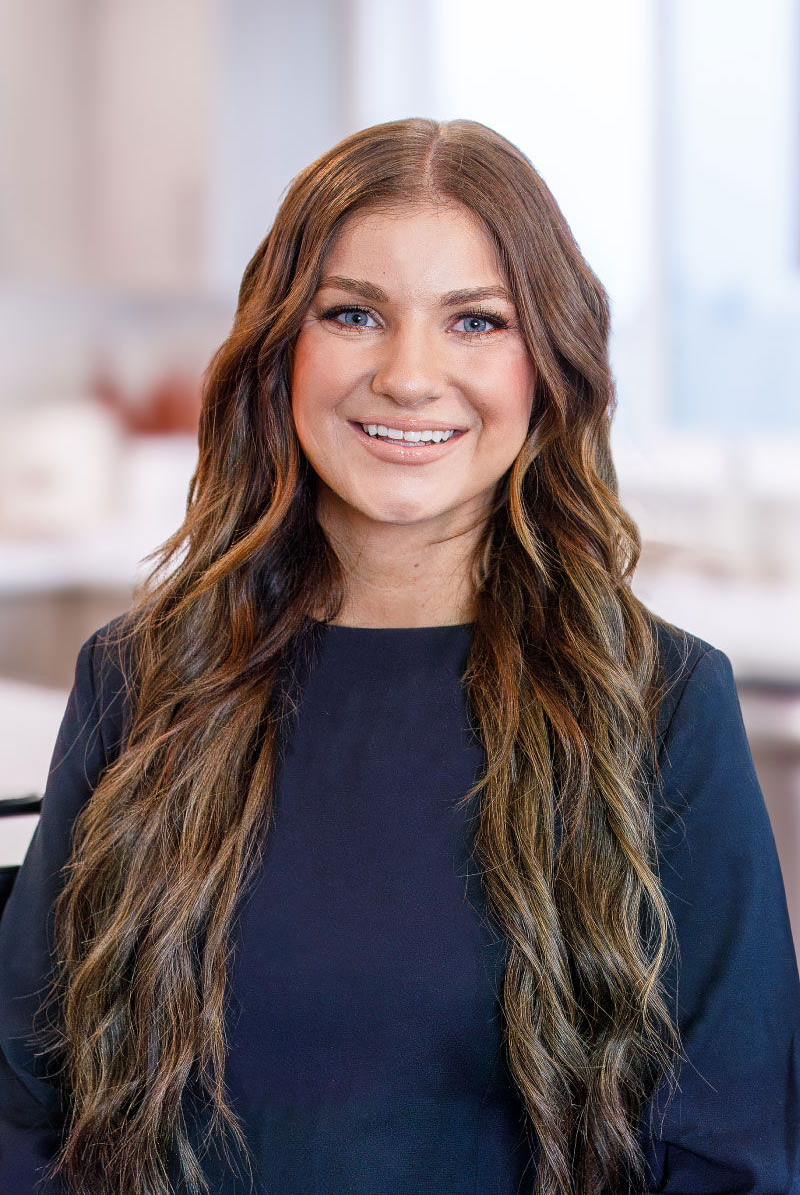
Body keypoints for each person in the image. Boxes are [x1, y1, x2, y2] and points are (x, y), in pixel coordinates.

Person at [0, 117, 798, 1195]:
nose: (408, 375)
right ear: (280, 346)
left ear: (546, 365)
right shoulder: (138, 680)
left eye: (475, 321)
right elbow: (24, 1108)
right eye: (352, 314)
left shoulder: (659, 702)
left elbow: (730, 1154)